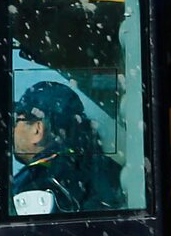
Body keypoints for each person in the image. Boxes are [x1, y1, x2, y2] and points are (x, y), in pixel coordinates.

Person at [8, 79, 124, 215]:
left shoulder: (34, 182)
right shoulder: (103, 170)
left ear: (37, 130)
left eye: (16, 121)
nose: (12, 130)